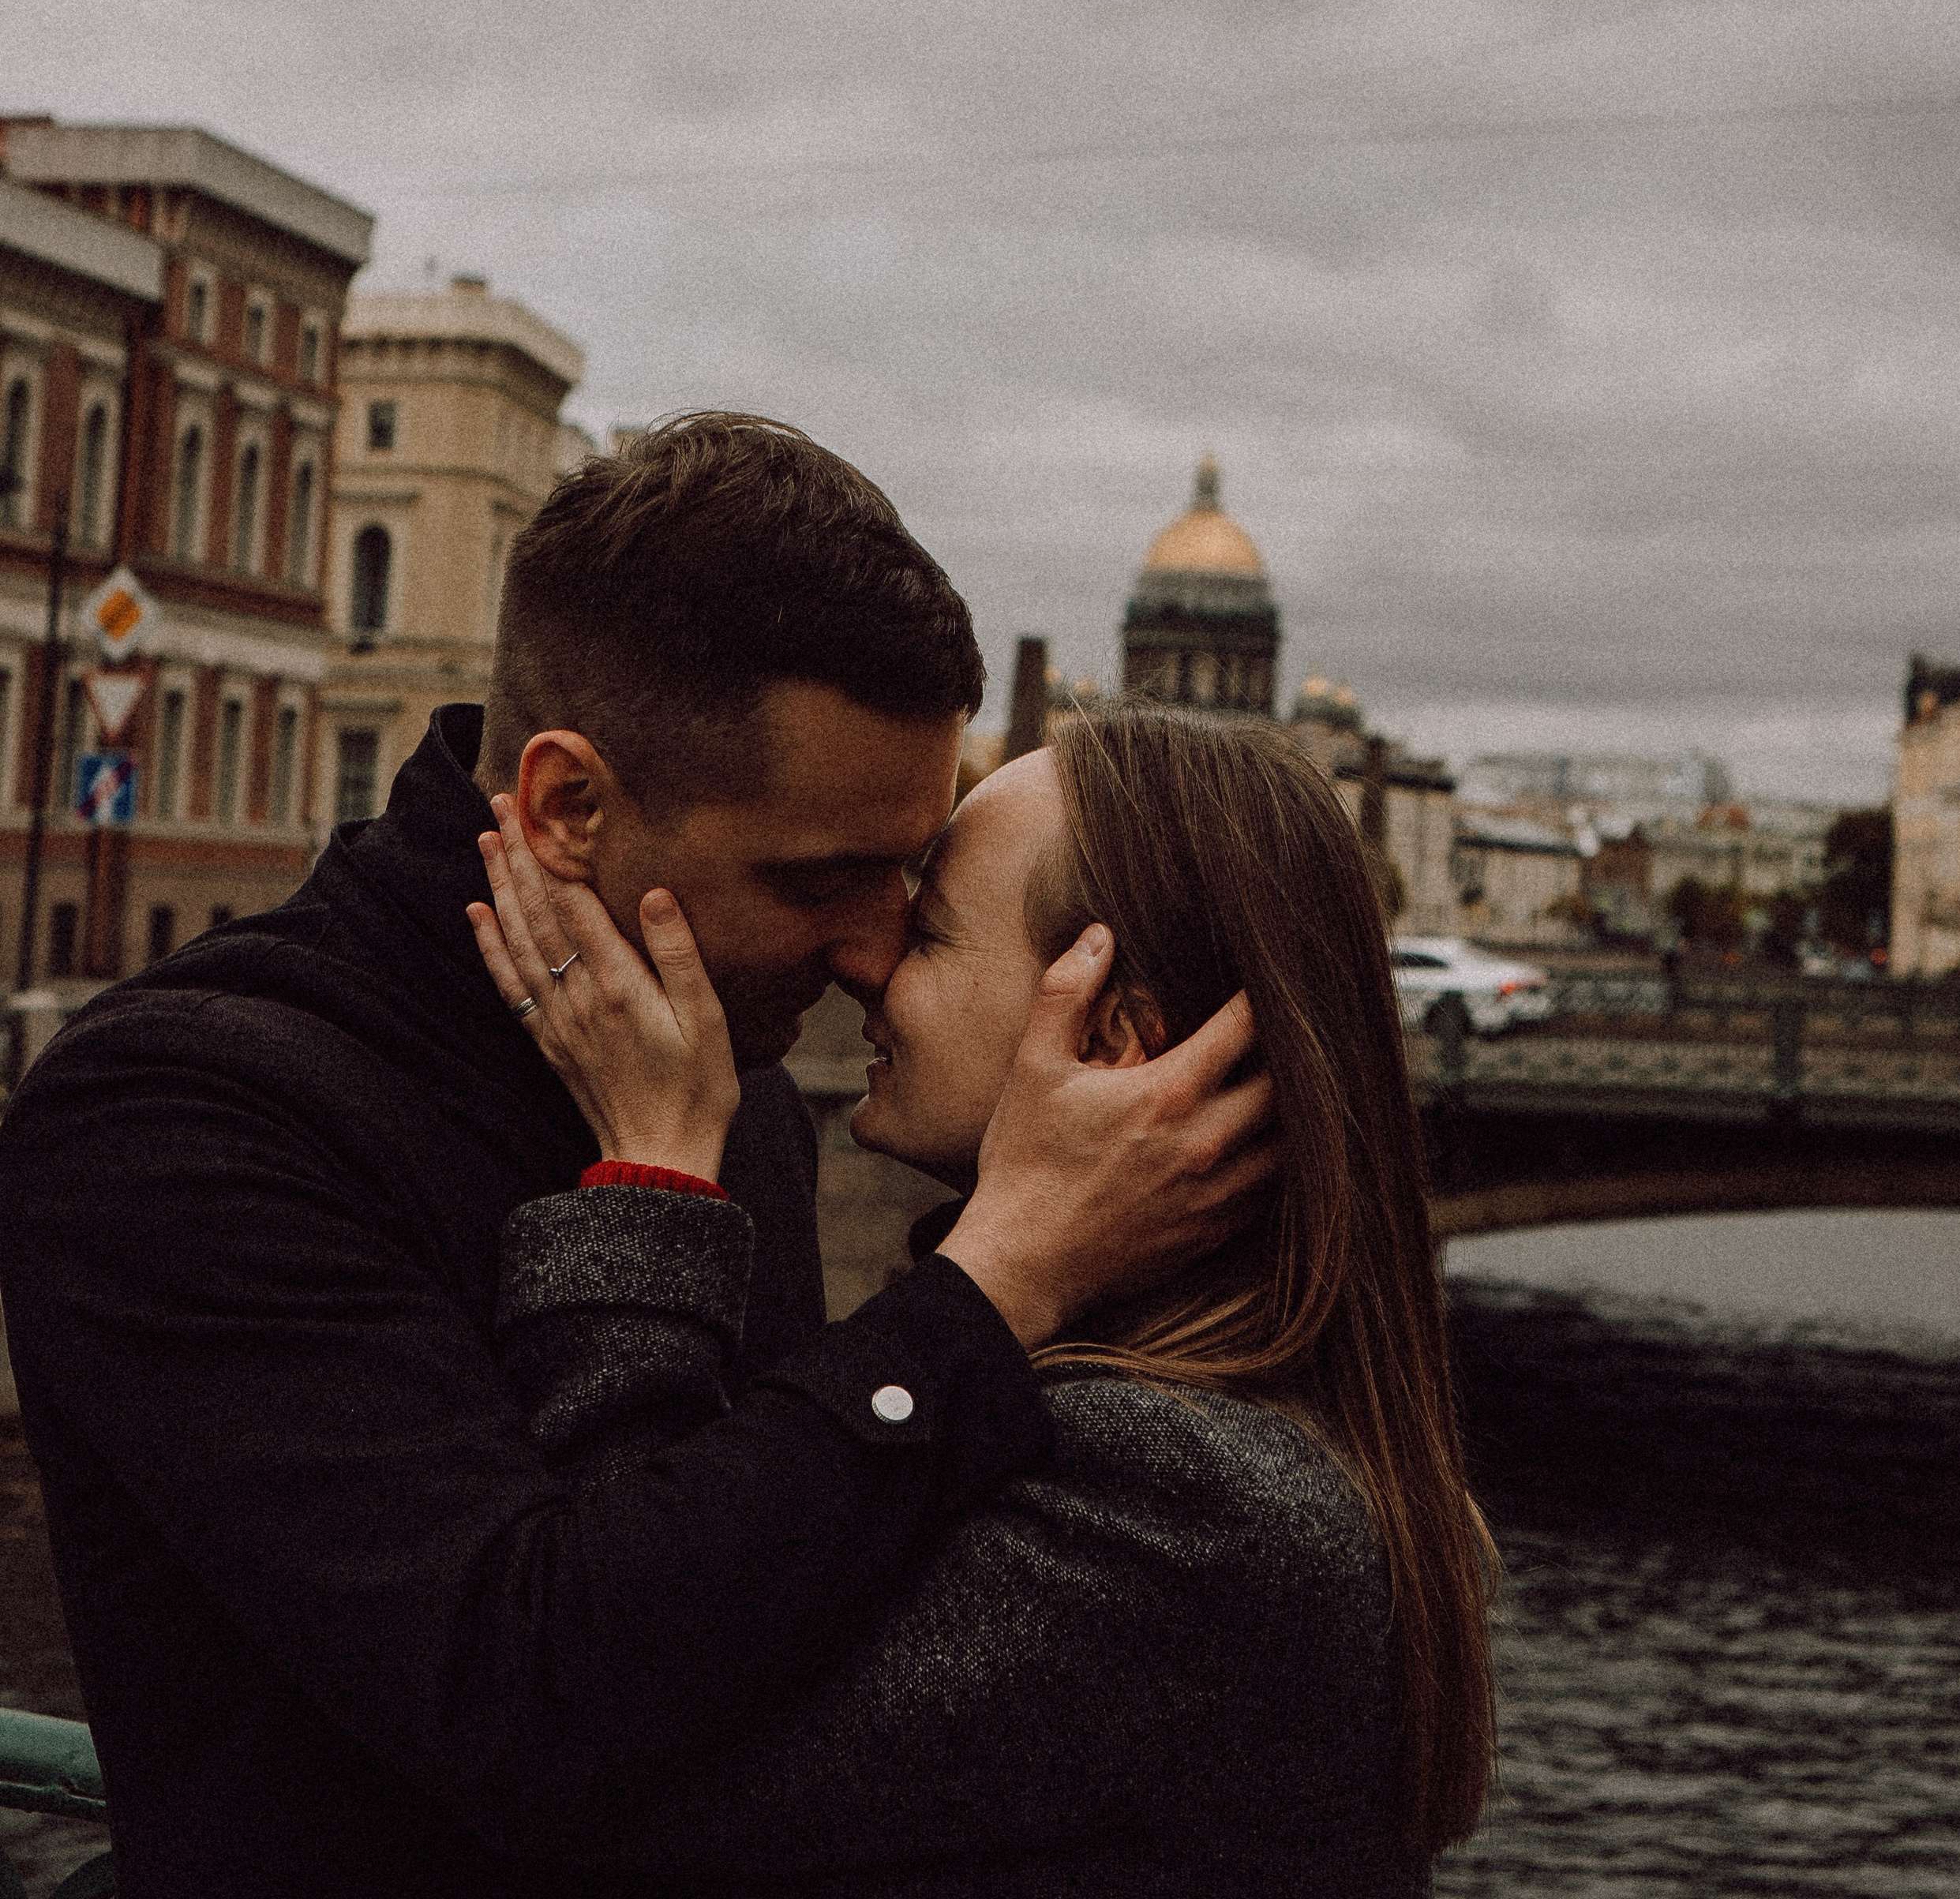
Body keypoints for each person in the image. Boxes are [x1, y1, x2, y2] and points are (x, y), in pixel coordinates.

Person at [0, 418, 1272, 1899]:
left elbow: (772, 1633)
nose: (876, 953)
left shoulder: (729, 1088)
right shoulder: (182, 1117)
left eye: (907, 873)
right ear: (564, 808)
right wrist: (989, 1292)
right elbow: (530, 1708)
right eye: (818, 879)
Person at [473, 698, 1497, 1898]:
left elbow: (609, 1763)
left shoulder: (1183, 1500)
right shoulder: (1194, 1429)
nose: (870, 963)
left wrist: (652, 1174)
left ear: (1112, 1038)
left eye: (934, 932)